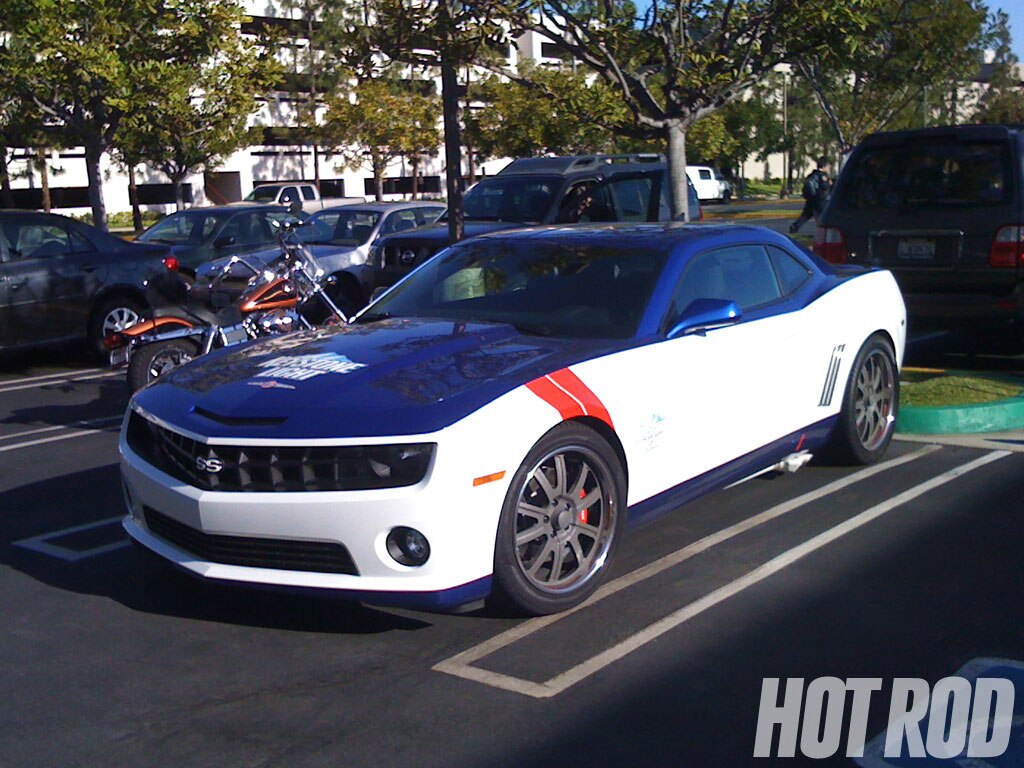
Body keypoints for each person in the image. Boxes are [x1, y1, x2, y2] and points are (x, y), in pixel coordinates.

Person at [790, 157, 831, 233]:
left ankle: (794, 227)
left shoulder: (812, 174)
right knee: (821, 219)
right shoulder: (822, 176)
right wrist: (828, 185)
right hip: (819, 201)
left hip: (811, 200)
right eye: (828, 166)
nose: (829, 167)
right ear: (824, 166)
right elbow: (825, 187)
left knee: (805, 216)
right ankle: (822, 235)